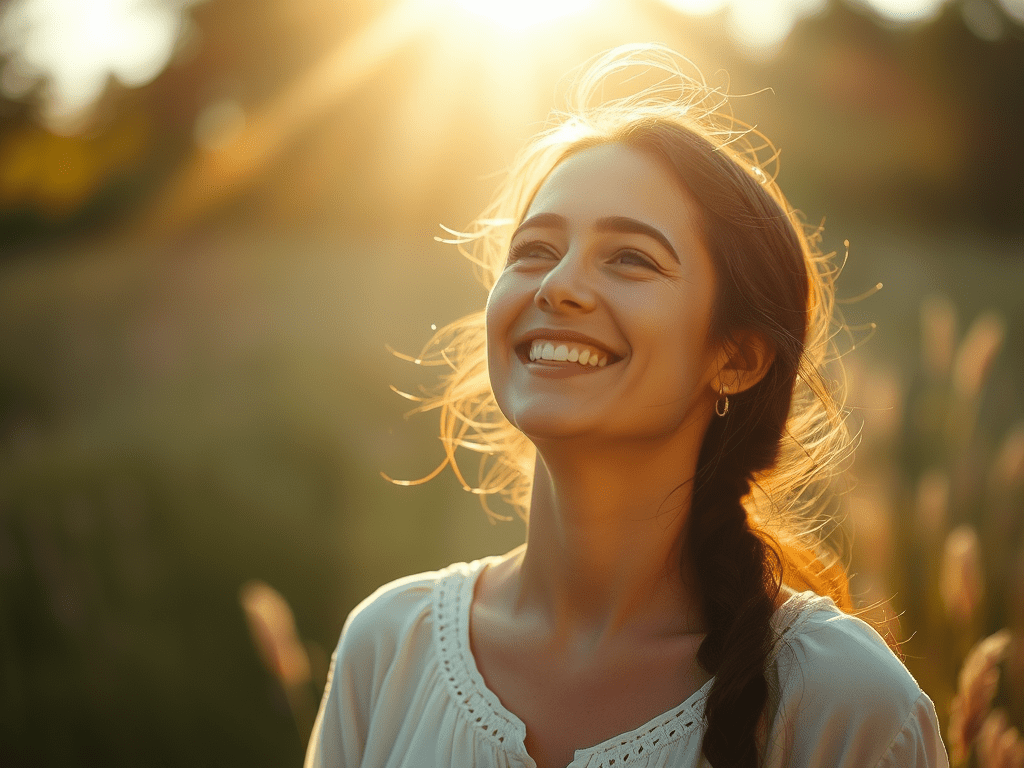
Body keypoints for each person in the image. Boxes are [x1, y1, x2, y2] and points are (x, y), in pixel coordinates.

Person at [305, 44, 949, 768]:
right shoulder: (387, 647)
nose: (558, 286)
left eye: (630, 258)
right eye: (535, 250)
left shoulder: (846, 706)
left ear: (735, 357)